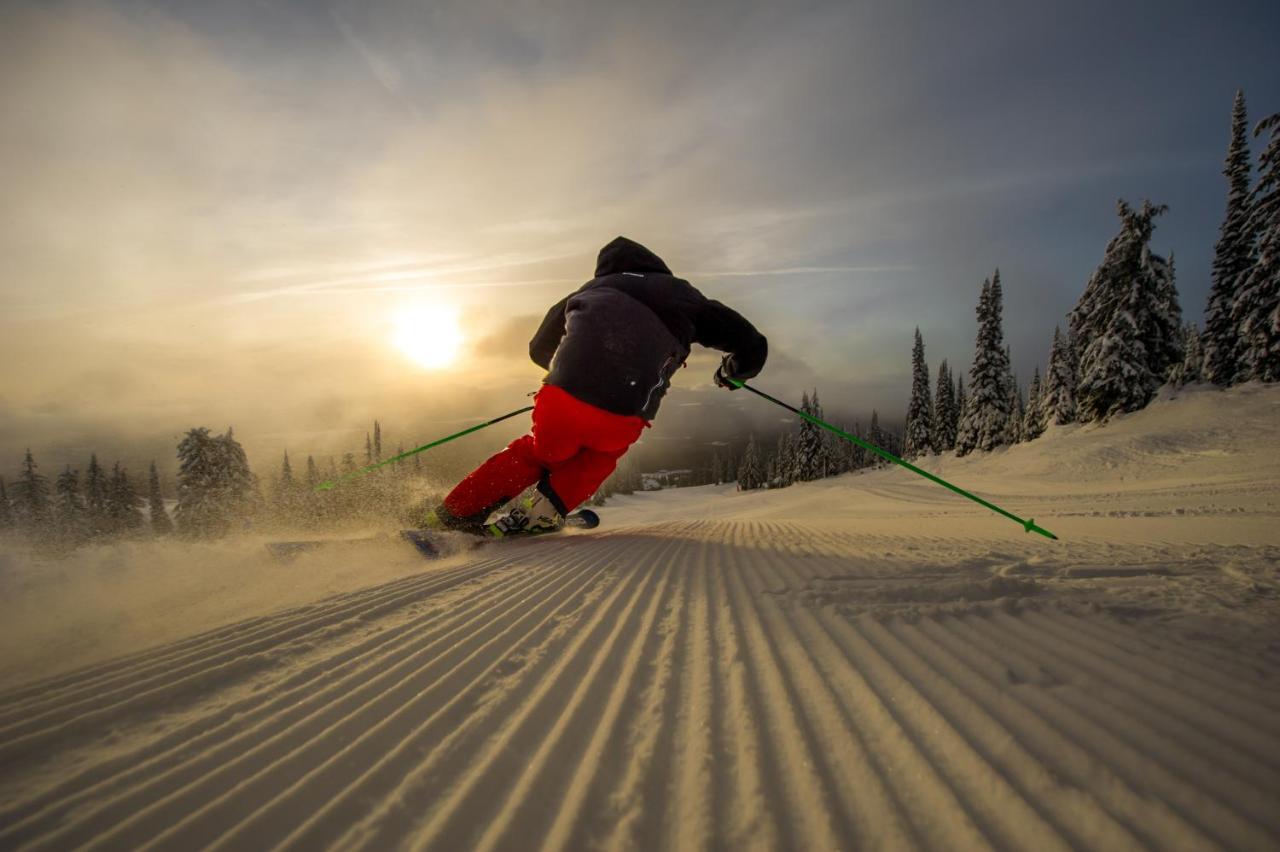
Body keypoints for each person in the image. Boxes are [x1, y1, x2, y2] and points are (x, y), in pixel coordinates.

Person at [427, 235, 767, 536]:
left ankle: (454, 513)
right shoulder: (683, 295)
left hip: (561, 399)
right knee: (601, 456)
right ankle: (544, 512)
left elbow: (538, 349)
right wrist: (733, 373)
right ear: (657, 267)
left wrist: (571, 377)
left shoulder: (587, 291)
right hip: (624, 412)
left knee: (537, 452)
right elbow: (752, 344)